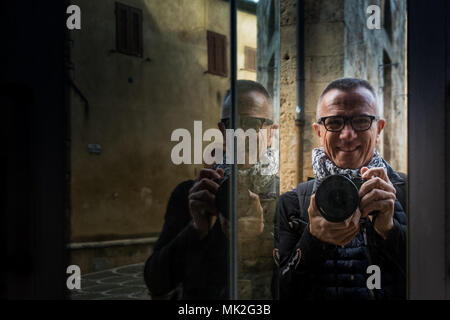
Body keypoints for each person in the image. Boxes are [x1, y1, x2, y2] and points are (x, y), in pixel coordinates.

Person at [144, 80, 278, 299]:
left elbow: (294, 285)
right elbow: (156, 282)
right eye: (233, 124)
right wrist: (196, 229)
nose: (241, 134)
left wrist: (258, 239)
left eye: (252, 124)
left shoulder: (284, 198)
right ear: (223, 130)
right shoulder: (193, 194)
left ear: (271, 132)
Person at [274, 78, 407, 300]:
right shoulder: (293, 203)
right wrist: (313, 240)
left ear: (379, 128)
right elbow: (280, 292)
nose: (347, 135)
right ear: (319, 131)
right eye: (334, 122)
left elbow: (435, 273)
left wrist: (390, 231)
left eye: (361, 120)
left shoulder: (409, 192)